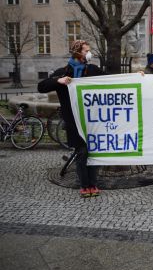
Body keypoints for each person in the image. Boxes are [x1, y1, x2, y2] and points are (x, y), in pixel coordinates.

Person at [38, 40, 105, 198]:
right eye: (86, 50)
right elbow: (41, 87)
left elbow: (113, 79)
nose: (89, 53)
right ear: (77, 53)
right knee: (81, 152)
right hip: (74, 121)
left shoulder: (92, 69)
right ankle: (84, 185)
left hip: (92, 120)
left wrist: (136, 76)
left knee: (93, 153)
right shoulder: (64, 72)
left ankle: (93, 184)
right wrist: (57, 81)